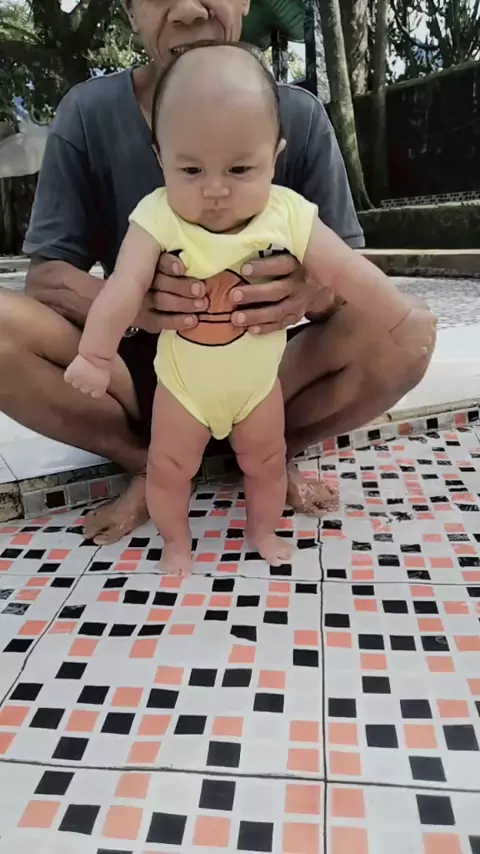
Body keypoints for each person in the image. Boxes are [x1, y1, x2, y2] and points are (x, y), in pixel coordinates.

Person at [0, 0, 437, 547]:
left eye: (240, 168)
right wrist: (133, 305)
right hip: (141, 365)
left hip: (265, 370)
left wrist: (306, 288)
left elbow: (350, 285)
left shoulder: (298, 116)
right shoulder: (89, 114)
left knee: (408, 332)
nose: (188, 9)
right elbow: (47, 280)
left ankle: (273, 454)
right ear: (131, 12)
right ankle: (146, 462)